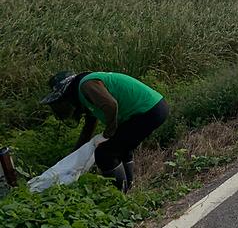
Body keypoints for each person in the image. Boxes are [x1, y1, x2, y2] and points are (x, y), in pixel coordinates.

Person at [41, 71, 169, 192]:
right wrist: (73, 158)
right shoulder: (85, 94)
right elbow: (88, 129)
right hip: (154, 107)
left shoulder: (86, 85)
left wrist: (109, 132)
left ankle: (119, 194)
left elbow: (111, 105)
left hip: (148, 111)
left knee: (105, 154)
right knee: (120, 148)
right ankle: (128, 188)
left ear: (67, 92)